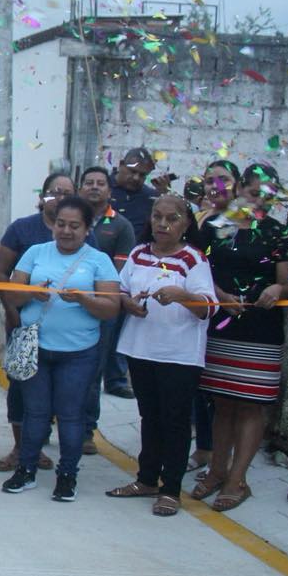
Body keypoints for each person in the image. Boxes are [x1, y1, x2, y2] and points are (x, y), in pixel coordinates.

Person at [0, 196, 120, 501]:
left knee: (70, 415)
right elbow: (12, 295)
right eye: (60, 224)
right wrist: (31, 294)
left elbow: (111, 309)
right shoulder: (35, 252)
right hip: (37, 347)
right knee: (35, 412)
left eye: (74, 226)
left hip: (79, 352)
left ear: (87, 228)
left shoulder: (98, 260)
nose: (66, 231)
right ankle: (26, 469)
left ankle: (67, 475)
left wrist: (84, 299)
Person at [190, 164, 288, 512]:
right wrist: (220, 294)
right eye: (253, 190)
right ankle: (217, 470)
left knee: (250, 405)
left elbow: (287, 281)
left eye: (266, 192)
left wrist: (278, 287)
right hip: (222, 325)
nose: (258, 197)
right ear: (240, 190)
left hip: (260, 331)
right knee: (223, 402)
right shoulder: (217, 228)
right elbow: (199, 269)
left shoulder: (278, 233)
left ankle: (238, 479)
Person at [104, 195, 216, 517]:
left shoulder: (193, 259)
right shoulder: (139, 253)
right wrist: (129, 303)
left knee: (176, 422)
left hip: (178, 354)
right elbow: (121, 290)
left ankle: (170, 489)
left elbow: (208, 308)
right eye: (157, 217)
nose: (163, 224)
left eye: (172, 218)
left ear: (185, 224)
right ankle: (147, 479)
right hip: (142, 348)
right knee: (149, 417)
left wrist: (182, 296)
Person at [0, 171, 76, 472]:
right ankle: (20, 447)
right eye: (55, 191)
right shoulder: (22, 229)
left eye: (68, 192)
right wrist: (12, 310)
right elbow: (1, 273)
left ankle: (37, 445)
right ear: (42, 198)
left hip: (65, 330)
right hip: (24, 324)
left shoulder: (80, 234)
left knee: (53, 389)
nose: (62, 198)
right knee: (20, 385)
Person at [79, 165, 137, 458]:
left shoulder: (121, 226)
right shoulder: (68, 222)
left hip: (101, 307)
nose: (94, 187)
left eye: (100, 183)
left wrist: (97, 292)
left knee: (92, 370)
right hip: (67, 305)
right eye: (88, 182)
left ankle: (87, 429)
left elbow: (121, 268)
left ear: (109, 190)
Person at [188, 158, 242, 470]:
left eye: (223, 179)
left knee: (229, 389)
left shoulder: (247, 223)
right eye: (210, 180)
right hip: (205, 313)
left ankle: (228, 452)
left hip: (241, 316)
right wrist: (217, 296)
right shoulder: (199, 223)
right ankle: (205, 448)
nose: (215, 186)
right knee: (201, 384)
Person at [111, 147, 164, 240]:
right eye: (133, 171)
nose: (136, 178)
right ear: (121, 165)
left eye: (142, 175)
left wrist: (164, 195)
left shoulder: (151, 198)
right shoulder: (102, 188)